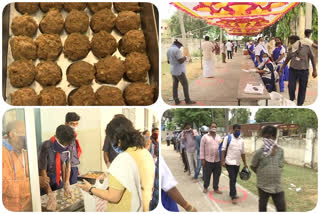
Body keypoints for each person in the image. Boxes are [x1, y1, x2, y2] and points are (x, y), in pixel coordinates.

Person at [78, 116, 155, 212]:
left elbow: (113, 196)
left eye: (111, 139)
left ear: (118, 139)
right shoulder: (144, 153)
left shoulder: (123, 159)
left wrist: (90, 189)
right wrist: (109, 178)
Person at [2, 121, 50, 211]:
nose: (27, 138)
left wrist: (42, 180)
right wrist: (34, 182)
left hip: (28, 205)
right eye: (24, 134)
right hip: (11, 208)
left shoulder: (24, 152)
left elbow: (29, 175)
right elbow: (6, 187)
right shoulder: (3, 154)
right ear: (12, 134)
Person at [38, 125, 76, 211]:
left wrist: (66, 182)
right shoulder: (45, 146)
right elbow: (42, 171)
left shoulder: (69, 145)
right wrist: (50, 193)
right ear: (56, 137)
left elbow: (67, 165)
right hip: (45, 181)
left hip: (57, 179)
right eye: (64, 144)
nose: (65, 146)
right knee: (48, 207)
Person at [250, 125, 286, 212]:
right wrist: (261, 173)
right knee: (262, 207)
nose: (268, 140)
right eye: (265, 137)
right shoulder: (259, 152)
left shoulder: (280, 151)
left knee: (281, 208)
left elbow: (280, 165)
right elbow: (253, 166)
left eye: (270, 137)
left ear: (274, 137)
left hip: (277, 187)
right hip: (263, 186)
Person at [279, 35, 317, 106]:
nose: (291, 44)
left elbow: (312, 58)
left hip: (304, 71)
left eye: (292, 42)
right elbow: (287, 60)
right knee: (291, 86)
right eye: (290, 43)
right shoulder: (291, 50)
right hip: (293, 70)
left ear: (297, 41)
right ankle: (292, 99)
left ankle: (300, 104)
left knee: (302, 88)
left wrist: (314, 70)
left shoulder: (307, 48)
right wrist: (281, 69)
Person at [221, 124, 247, 204]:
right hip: (229, 162)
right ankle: (233, 195)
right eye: (236, 130)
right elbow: (223, 149)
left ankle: (231, 192)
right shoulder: (227, 138)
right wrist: (222, 160)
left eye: (239, 130)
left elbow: (243, 153)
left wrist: (245, 163)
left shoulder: (241, 141)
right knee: (232, 178)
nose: (237, 132)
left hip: (237, 163)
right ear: (232, 130)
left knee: (234, 179)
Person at [167, 39, 196, 105]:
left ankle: (176, 100)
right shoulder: (177, 50)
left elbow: (168, 61)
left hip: (173, 70)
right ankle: (187, 100)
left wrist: (174, 61)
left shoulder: (168, 50)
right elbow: (180, 61)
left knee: (175, 86)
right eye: (180, 45)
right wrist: (185, 57)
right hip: (179, 71)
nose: (180, 47)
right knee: (185, 84)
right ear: (178, 44)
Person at [200, 123, 222, 194]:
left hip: (217, 160)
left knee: (217, 175)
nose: (214, 128)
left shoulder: (219, 137)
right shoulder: (205, 137)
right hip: (208, 160)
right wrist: (202, 159)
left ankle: (216, 188)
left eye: (215, 127)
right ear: (210, 128)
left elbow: (222, 148)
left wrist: (222, 159)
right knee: (207, 175)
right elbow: (201, 149)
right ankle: (205, 187)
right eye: (212, 126)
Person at [64, 112, 82, 185]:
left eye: (76, 124)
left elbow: (73, 154)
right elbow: (64, 158)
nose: (75, 126)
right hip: (67, 170)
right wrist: (67, 180)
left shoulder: (73, 136)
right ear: (66, 123)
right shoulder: (64, 137)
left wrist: (76, 169)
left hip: (73, 168)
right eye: (72, 124)